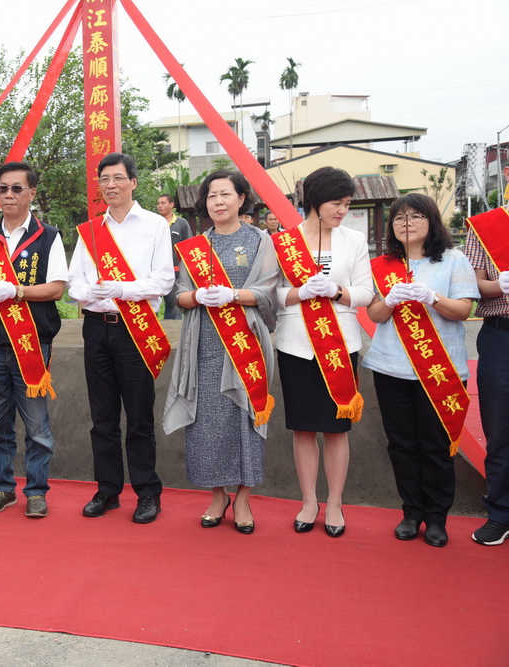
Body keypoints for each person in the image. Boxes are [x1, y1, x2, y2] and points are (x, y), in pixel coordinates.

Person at [162, 170, 278, 533]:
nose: (218, 202)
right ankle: (217, 495)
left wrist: (235, 295)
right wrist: (197, 296)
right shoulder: (195, 246)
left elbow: (269, 291)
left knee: (246, 418)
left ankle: (243, 497)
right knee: (207, 422)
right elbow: (179, 295)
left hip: (246, 341)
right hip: (204, 343)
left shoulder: (260, 241)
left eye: (226, 194)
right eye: (212, 196)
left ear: (242, 198)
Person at [363, 193, 478, 548]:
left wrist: (432, 298)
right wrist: (390, 300)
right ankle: (411, 513)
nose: (406, 223)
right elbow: (374, 314)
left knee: (436, 445)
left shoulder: (453, 260)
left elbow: (463, 310)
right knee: (401, 445)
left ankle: (437, 518)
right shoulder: (382, 265)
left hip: (440, 372)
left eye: (415, 216)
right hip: (391, 368)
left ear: (431, 220)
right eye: (399, 218)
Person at [69, 153, 174, 524]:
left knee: (139, 415)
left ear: (133, 182)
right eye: (104, 179)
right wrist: (88, 292)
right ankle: (107, 489)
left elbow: (164, 280)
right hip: (97, 327)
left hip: (136, 329)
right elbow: (73, 281)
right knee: (102, 417)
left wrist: (123, 289)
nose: (110, 185)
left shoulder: (154, 225)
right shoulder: (91, 230)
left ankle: (147, 493)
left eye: (117, 178)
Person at [273, 167, 373, 537]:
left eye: (347, 204)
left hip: (340, 346)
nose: (342, 210)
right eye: (336, 203)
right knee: (302, 429)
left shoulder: (354, 240)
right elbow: (271, 292)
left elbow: (366, 291)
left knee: (335, 429)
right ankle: (308, 502)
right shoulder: (284, 242)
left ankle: (334, 503)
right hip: (296, 346)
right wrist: (299, 292)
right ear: (314, 202)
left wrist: (337, 291)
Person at [0, 161, 66, 518]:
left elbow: (57, 288)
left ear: (31, 193)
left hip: (31, 344)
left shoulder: (48, 236)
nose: (8, 195)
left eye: (17, 188)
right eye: (3, 188)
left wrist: (18, 291)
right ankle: (2, 488)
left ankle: (36, 491)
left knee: (37, 426)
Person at [467, 168, 509, 546]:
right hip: (501, 336)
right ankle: (500, 513)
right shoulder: (485, 227)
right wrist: (499, 285)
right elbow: (472, 285)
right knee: (500, 429)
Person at [157, 193, 192, 321]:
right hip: (155, 271)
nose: (159, 206)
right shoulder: (154, 222)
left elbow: (188, 246)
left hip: (175, 271)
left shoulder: (181, 223)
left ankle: (173, 329)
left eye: (163, 203)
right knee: (153, 303)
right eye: (158, 203)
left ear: (171, 204)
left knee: (173, 303)